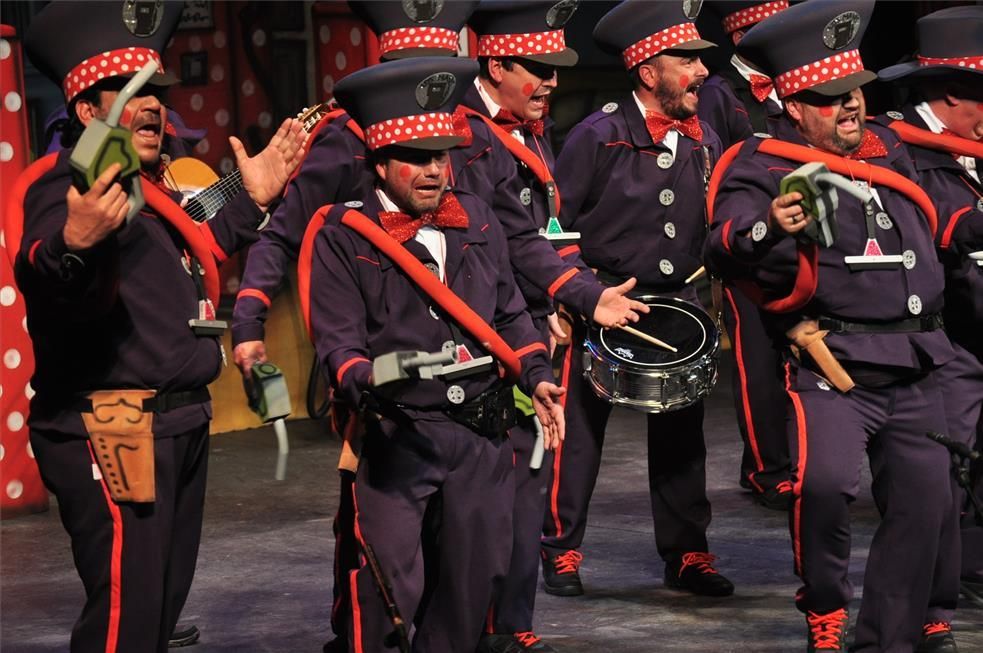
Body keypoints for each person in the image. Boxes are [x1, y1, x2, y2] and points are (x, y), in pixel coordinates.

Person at [18, 2, 306, 652]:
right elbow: (43, 262)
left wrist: (249, 193)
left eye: (157, 92)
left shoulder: (160, 188)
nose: (152, 107)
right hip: (113, 424)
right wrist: (76, 240)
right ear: (87, 111)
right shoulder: (67, 186)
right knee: (126, 613)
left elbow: (197, 236)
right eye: (130, 93)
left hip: (179, 420)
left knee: (160, 606)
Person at [706, 1, 958, 650]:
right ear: (792, 103)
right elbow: (725, 241)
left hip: (917, 360)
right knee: (820, 488)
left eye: (852, 90)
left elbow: (947, 219)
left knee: (924, 506)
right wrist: (771, 225)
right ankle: (823, 606)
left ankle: (885, 637)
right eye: (827, 96)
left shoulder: (894, 147)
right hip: (833, 363)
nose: (848, 105)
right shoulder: (760, 163)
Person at [230, 4, 478, 650]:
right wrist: (249, 315)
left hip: (469, 373)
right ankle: (359, 632)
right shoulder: (349, 136)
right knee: (374, 531)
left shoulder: (471, 131)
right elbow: (283, 233)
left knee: (464, 546)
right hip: (375, 353)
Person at [305, 55, 565, 653]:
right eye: (417, 158)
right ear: (379, 161)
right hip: (399, 434)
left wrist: (538, 372)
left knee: (473, 584)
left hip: (479, 433)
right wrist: (368, 378)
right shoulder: (346, 234)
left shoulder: (476, 217)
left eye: (441, 156)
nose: (434, 171)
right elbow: (339, 344)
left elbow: (508, 313)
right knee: (387, 587)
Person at [461, 3, 648, 650]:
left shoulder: (525, 129)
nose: (550, 83)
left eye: (554, 69)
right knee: (484, 503)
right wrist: (578, 293)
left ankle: (513, 628)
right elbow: (508, 240)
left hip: (533, 333)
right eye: (536, 69)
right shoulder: (462, 134)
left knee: (524, 492)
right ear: (495, 63)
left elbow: (546, 230)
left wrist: (564, 298)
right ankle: (484, 628)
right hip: (481, 338)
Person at [542, 0, 735, 601]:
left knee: (682, 432)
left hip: (678, 303)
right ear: (648, 72)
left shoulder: (706, 133)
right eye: (686, 59)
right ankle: (560, 547)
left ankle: (687, 552)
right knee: (577, 432)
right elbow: (554, 230)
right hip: (600, 302)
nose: (702, 71)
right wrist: (578, 294)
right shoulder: (597, 135)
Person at [877, 6, 983, 650]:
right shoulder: (899, 146)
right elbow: (943, 230)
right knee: (936, 476)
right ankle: (933, 605)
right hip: (936, 338)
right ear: (951, 95)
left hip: (975, 326)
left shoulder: (966, 145)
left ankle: (969, 567)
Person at [699, 0, 793, 510]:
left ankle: (782, 458)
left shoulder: (787, 90)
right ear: (742, 36)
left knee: (789, 361)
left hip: (788, 245)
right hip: (744, 247)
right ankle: (766, 468)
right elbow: (710, 174)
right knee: (757, 362)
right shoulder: (719, 93)